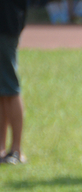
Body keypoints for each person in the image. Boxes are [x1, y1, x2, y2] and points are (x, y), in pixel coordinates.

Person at [0, 0, 27, 166]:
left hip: (6, 23)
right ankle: (2, 147)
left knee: (10, 87)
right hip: (6, 23)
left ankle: (16, 150)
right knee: (2, 90)